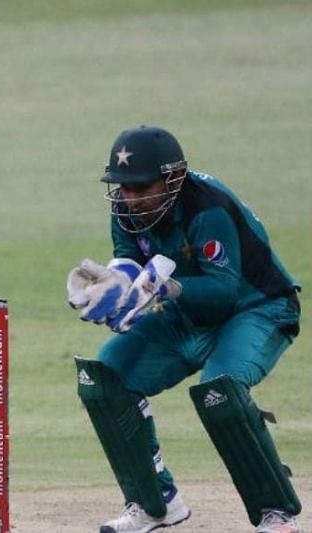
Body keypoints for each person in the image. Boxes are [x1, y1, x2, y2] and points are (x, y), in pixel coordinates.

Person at [66, 125, 302, 533]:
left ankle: (275, 512)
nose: (131, 197)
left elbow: (224, 292)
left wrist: (167, 286)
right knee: (103, 379)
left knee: (220, 388)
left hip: (256, 309)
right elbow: (129, 258)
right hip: (185, 313)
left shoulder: (207, 208)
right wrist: (119, 288)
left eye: (142, 187)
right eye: (123, 187)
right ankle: (155, 504)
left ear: (173, 178)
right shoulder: (127, 208)